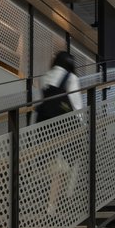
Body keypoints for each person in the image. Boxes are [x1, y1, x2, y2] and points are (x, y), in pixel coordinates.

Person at [36, 50, 82, 215]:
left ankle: (48, 201)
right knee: (63, 166)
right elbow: (76, 105)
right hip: (65, 126)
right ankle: (54, 204)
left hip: (44, 125)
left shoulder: (46, 77)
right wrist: (82, 125)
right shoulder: (71, 78)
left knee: (51, 165)